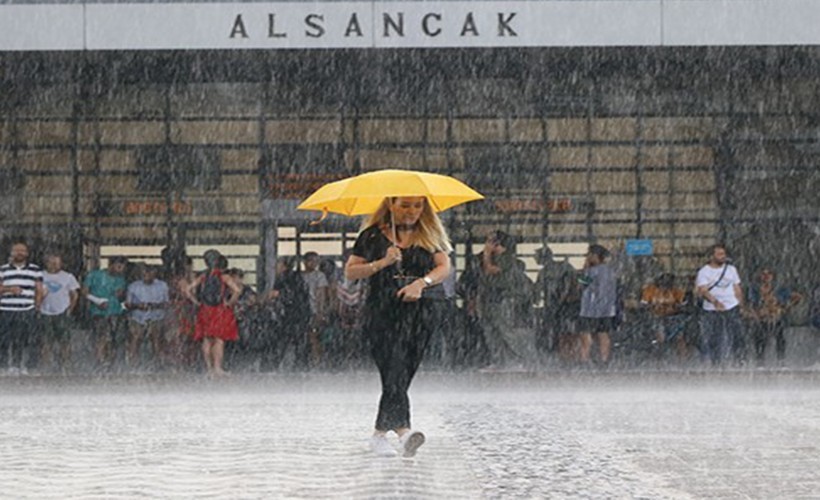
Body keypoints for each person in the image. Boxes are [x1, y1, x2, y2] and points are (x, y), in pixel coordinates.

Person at [345, 196, 451, 458]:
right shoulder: (371, 236)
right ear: (390, 205)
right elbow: (351, 271)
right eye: (404, 205)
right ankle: (404, 432)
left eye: (417, 206)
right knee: (393, 366)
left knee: (403, 373)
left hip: (421, 313)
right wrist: (382, 262)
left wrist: (421, 283)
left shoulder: (429, 234)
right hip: (382, 311)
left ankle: (380, 434)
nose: (411, 212)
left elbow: (443, 267)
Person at [184, 250, 242, 377]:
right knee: (219, 339)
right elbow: (237, 291)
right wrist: (229, 302)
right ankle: (217, 368)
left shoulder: (203, 277)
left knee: (206, 338)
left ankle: (209, 369)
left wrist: (196, 302)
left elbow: (187, 290)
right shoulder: (224, 276)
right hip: (219, 309)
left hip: (205, 309)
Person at [477, 230, 526, 369]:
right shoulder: (490, 257)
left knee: (505, 330)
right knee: (491, 331)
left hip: (503, 297)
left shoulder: (506, 257)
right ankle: (499, 360)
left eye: (489, 241)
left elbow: (490, 270)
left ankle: (517, 360)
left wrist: (486, 254)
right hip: (489, 298)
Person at [0, 240, 45, 375]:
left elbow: (39, 289)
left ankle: (26, 367)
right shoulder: (3, 269)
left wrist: (37, 306)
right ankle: (5, 367)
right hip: (6, 309)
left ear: (27, 253)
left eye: (22, 250)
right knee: (4, 339)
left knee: (26, 339)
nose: (19, 253)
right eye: (16, 250)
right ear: (11, 253)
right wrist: (9, 289)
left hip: (27, 309)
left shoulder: (35, 269)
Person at [695, 244, 744, 366]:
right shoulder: (704, 271)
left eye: (724, 254)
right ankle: (716, 362)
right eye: (719, 254)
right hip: (712, 308)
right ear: (712, 256)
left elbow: (737, 287)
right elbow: (703, 290)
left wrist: (741, 304)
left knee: (737, 334)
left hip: (731, 306)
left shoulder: (731, 269)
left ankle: (739, 359)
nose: (723, 257)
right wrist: (715, 302)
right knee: (715, 336)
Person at [745, 267, 802, 365]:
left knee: (780, 338)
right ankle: (760, 360)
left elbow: (798, 297)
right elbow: (750, 303)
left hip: (776, 317)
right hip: (762, 317)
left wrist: (786, 307)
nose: (766, 277)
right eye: (764, 274)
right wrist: (756, 313)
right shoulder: (754, 289)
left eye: (769, 274)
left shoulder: (780, 289)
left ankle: (781, 360)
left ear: (773, 276)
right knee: (759, 338)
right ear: (760, 276)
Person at [534, 246, 581, 362]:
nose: (534, 258)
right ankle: (567, 355)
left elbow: (537, 290)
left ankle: (554, 352)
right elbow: (580, 280)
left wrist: (535, 300)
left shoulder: (544, 272)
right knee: (566, 331)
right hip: (567, 306)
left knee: (551, 329)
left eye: (536, 256)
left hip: (553, 306)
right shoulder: (565, 266)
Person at [83, 256, 128, 372]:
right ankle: (100, 362)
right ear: (110, 265)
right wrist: (97, 301)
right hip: (98, 312)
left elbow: (120, 296)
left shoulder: (121, 279)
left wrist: (122, 298)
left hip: (115, 312)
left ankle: (110, 364)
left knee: (113, 339)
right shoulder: (94, 275)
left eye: (122, 268)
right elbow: (84, 292)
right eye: (118, 266)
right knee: (101, 338)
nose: (120, 270)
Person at [39, 253, 80, 374]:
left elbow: (75, 295)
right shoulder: (40, 275)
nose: (54, 265)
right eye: (51, 263)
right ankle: (46, 367)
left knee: (65, 341)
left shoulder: (68, 277)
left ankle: (66, 366)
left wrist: (70, 309)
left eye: (57, 263)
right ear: (46, 263)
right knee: (46, 342)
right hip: (44, 312)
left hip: (62, 312)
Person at [578, 244, 617, 366]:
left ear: (595, 256)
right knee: (603, 334)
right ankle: (604, 360)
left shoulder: (591, 271)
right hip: (606, 309)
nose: (587, 257)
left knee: (586, 334)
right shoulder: (610, 271)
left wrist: (585, 267)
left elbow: (581, 285)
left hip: (590, 309)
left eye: (589, 255)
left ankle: (585, 359)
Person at [125, 265, 170, 372]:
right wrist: (138, 306)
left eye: (149, 274)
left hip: (156, 316)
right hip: (138, 317)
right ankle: (133, 365)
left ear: (154, 274)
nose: (147, 276)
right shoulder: (133, 286)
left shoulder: (162, 285)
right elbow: (127, 304)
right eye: (144, 274)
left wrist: (154, 306)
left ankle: (159, 365)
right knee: (136, 339)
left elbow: (167, 304)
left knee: (156, 340)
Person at [640, 273, 688, 360]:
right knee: (660, 337)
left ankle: (683, 358)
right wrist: (654, 306)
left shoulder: (676, 291)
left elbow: (683, 305)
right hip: (656, 316)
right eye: (662, 284)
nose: (664, 287)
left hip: (673, 316)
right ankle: (659, 357)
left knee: (680, 337)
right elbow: (643, 305)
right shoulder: (650, 290)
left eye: (667, 284)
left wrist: (674, 307)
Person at [300, 251, 329, 367]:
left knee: (314, 336)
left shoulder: (319, 276)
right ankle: (307, 359)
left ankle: (316, 360)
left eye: (316, 261)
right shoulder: (300, 276)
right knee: (305, 336)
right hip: (302, 309)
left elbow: (321, 294)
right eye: (310, 261)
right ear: (304, 262)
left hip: (313, 309)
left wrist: (320, 311)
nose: (313, 264)